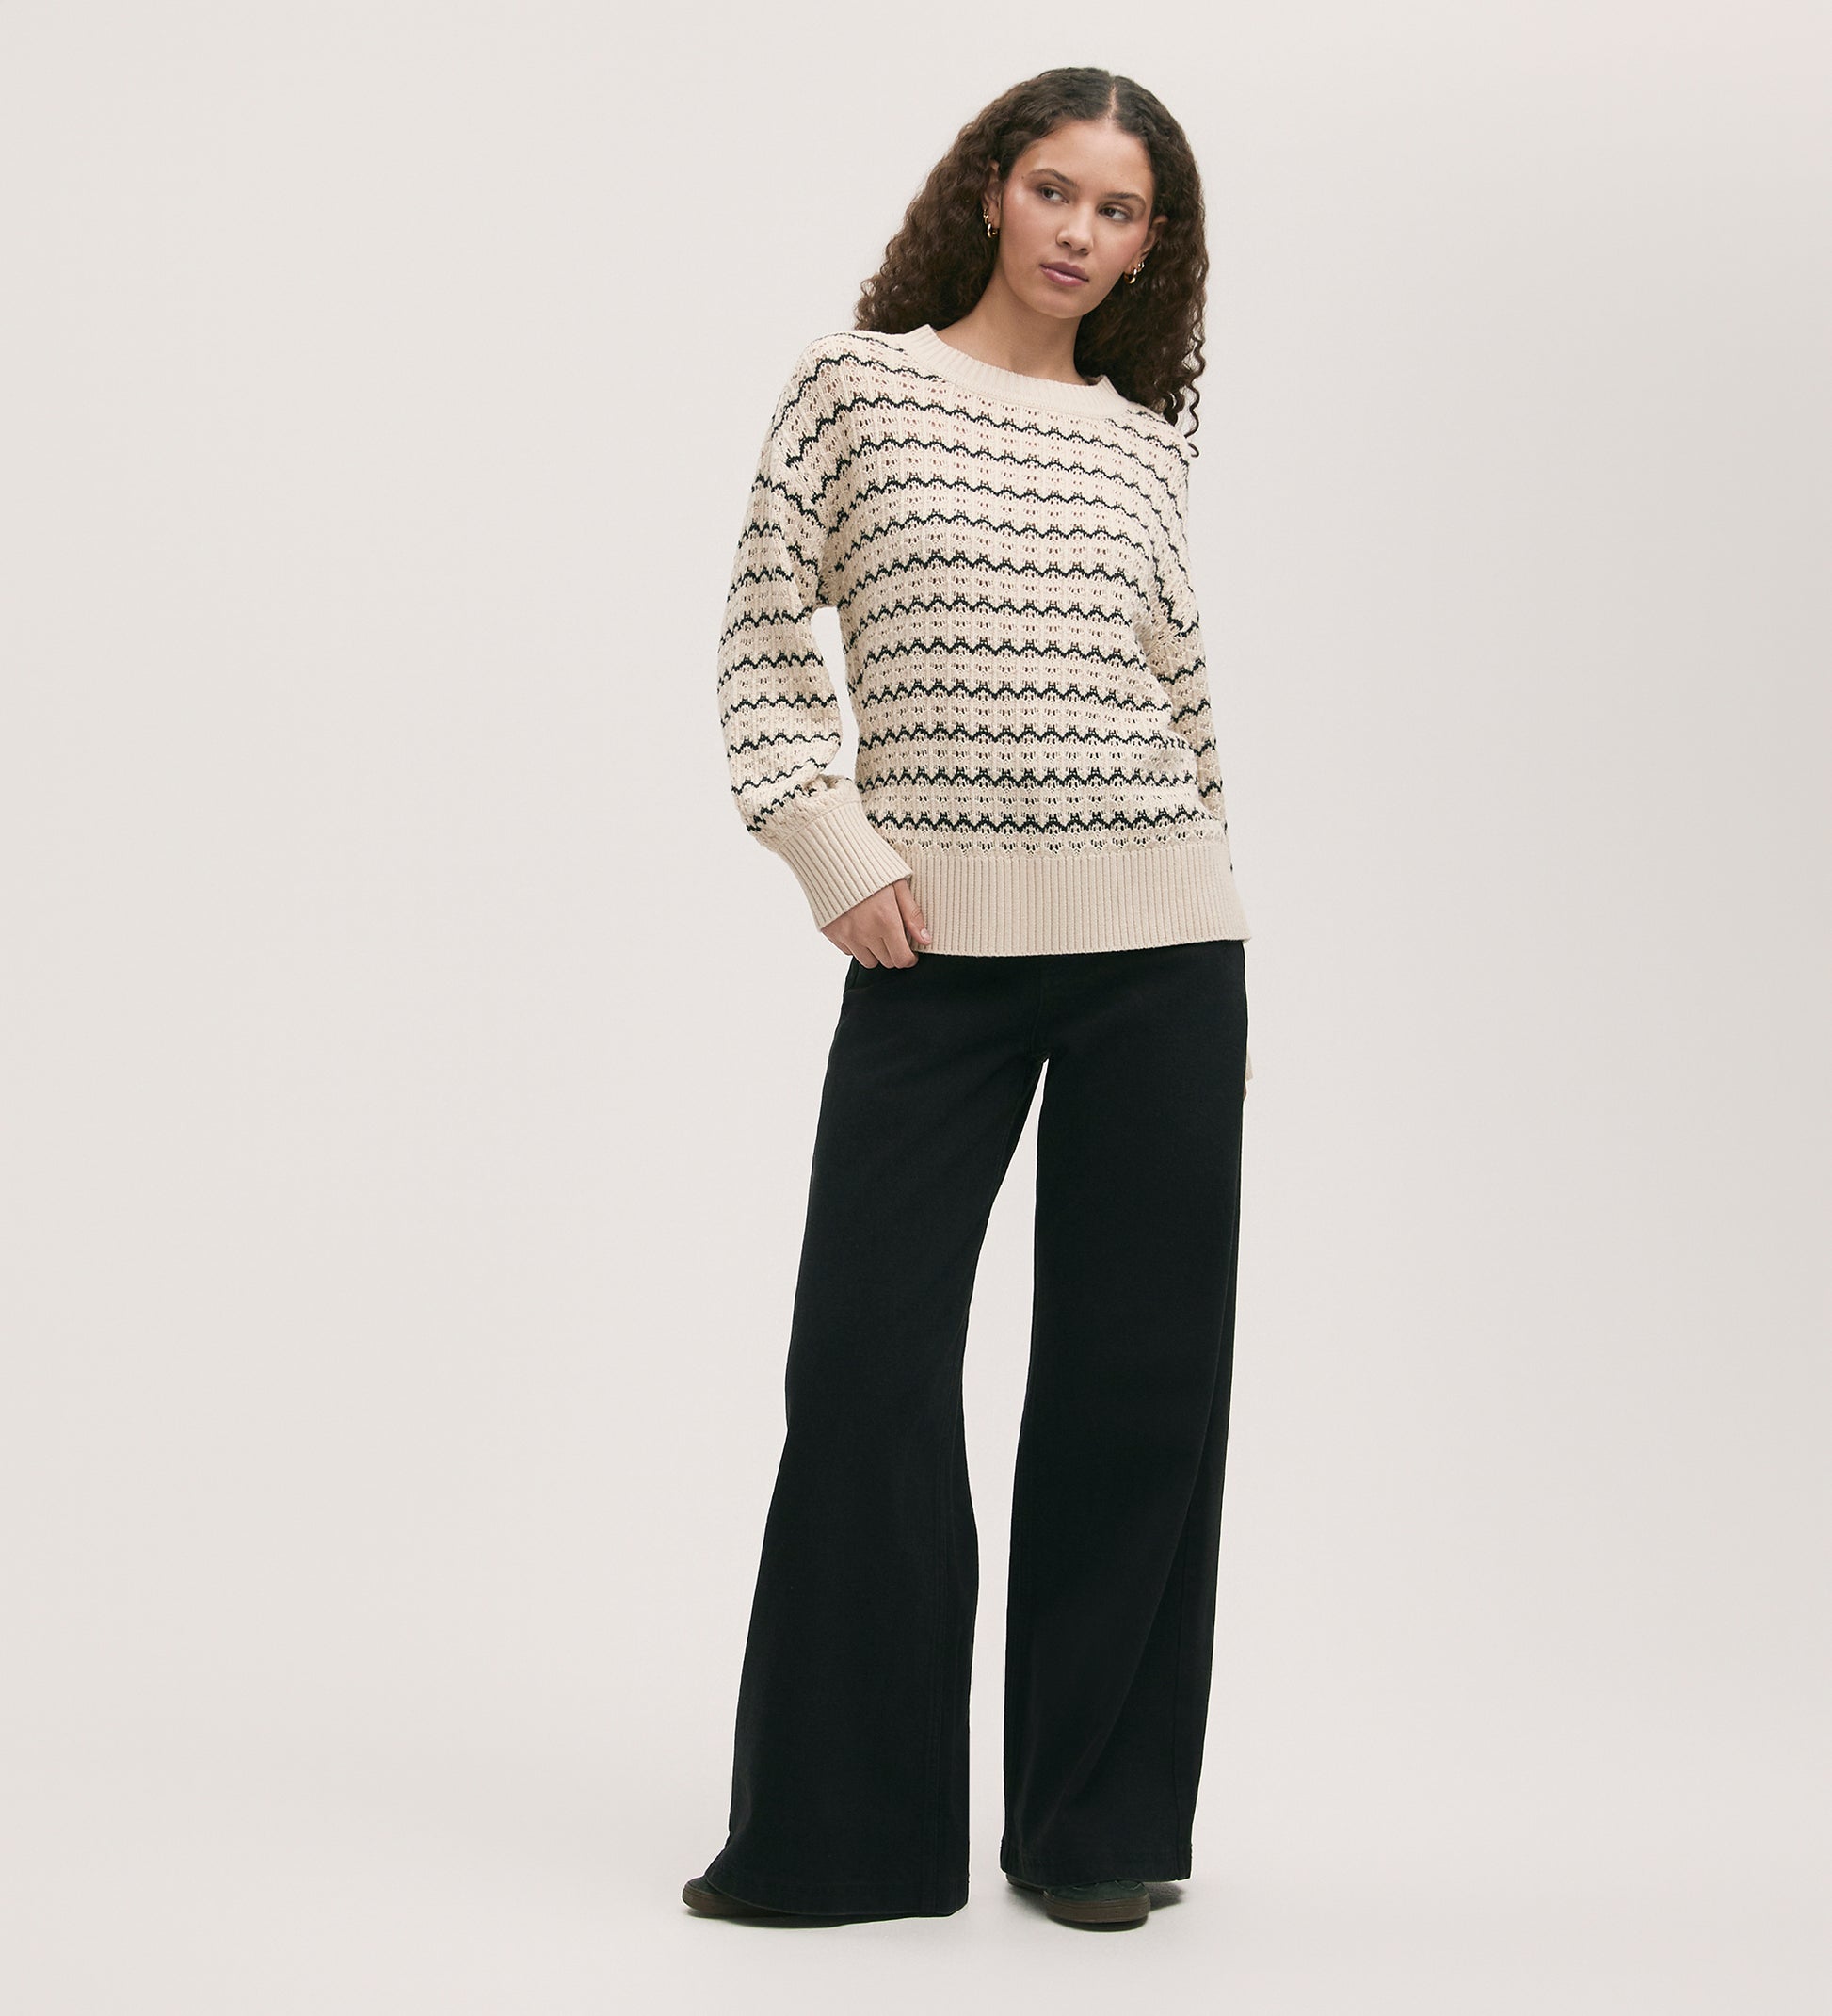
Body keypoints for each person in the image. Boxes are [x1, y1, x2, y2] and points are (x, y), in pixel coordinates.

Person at [686, 66, 1253, 1933]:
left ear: (1151, 247)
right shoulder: (853, 388)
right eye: (1055, 189)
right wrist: (831, 847)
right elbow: (762, 639)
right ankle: (839, 1836)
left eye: (1122, 210)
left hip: (1161, 950)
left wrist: (1216, 914)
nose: (1081, 232)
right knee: (862, 1370)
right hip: (931, 953)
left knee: (1137, 1388)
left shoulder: (1140, 444)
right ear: (990, 192)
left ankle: (1094, 1830)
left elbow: (1179, 697)